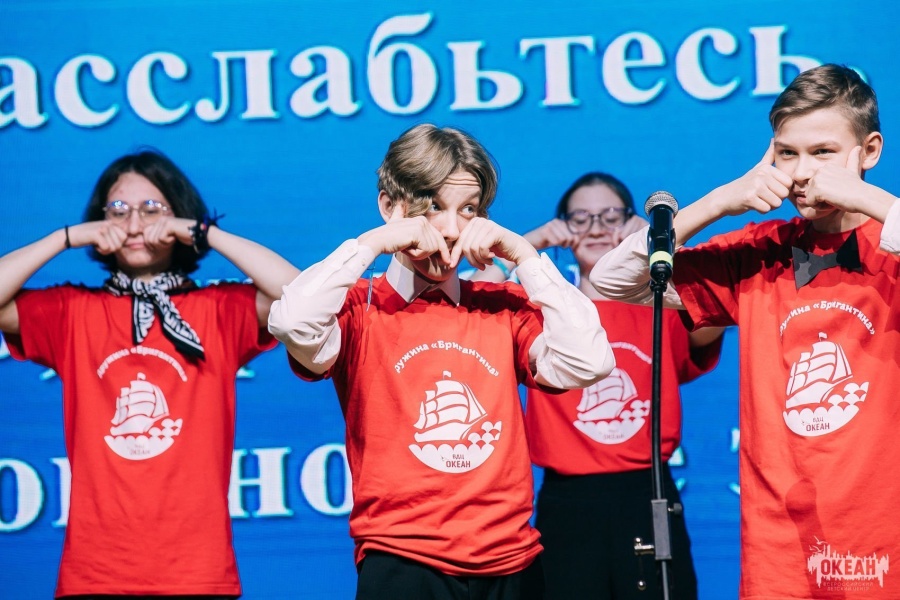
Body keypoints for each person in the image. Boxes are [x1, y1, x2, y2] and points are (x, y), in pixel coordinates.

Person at [268, 123, 615, 600]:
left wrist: (525, 256)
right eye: (432, 206)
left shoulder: (502, 305)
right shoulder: (358, 309)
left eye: (468, 209)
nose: (451, 229)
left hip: (513, 564)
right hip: (403, 562)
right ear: (389, 206)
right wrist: (372, 243)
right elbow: (293, 323)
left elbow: (589, 362)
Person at [592, 63, 900, 598]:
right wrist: (720, 201)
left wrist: (868, 199)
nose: (803, 172)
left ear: (869, 151)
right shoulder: (758, 252)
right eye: (787, 153)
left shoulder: (890, 250)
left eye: (823, 152)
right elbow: (612, 280)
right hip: (779, 552)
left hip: (882, 541)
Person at [0, 149, 300, 599]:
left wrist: (206, 234)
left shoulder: (218, 310)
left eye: (152, 209)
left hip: (196, 571)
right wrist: (66, 237)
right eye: (118, 210)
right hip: (95, 574)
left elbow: (301, 296)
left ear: (179, 217)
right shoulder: (73, 312)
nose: (135, 224)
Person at [473, 173, 724, 599]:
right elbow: (475, 296)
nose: (595, 229)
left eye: (610, 216)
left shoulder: (661, 305)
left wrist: (655, 246)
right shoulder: (538, 313)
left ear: (631, 223)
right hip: (567, 500)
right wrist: (529, 247)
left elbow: (715, 312)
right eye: (580, 218)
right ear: (561, 227)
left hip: (647, 491)